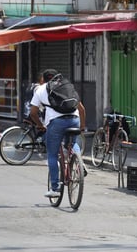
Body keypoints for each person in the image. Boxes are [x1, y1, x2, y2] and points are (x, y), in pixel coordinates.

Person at [30, 69, 86, 198]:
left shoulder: (41, 89)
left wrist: (40, 126)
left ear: (43, 79)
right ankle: (78, 163)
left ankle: (55, 188)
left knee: (52, 155)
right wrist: (82, 126)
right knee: (72, 143)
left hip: (56, 124)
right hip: (74, 120)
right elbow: (81, 109)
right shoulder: (66, 86)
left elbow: (33, 113)